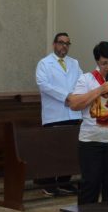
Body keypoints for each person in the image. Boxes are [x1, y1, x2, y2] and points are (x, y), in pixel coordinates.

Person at [67, 41, 108, 205]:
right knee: (90, 184)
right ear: (97, 62)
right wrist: (100, 90)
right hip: (91, 142)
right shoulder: (86, 79)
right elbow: (75, 104)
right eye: (104, 63)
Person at [35, 32, 82, 196]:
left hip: (73, 113)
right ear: (54, 44)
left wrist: (77, 96)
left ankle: (64, 181)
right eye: (61, 43)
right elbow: (44, 86)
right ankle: (48, 183)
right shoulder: (44, 63)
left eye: (67, 43)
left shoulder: (74, 63)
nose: (64, 46)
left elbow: (81, 82)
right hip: (54, 114)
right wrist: (66, 96)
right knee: (53, 151)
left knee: (69, 150)